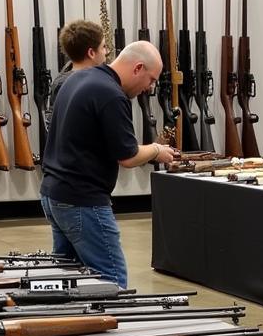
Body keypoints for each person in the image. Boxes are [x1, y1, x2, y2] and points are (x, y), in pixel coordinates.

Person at [41, 40, 175, 287]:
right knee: (111, 280)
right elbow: (128, 156)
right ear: (137, 68)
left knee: (66, 280)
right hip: (82, 201)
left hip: (54, 194)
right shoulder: (111, 95)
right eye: (151, 79)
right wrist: (157, 150)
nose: (150, 87)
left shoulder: (76, 78)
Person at [42, 20, 108, 258]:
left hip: (63, 185)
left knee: (67, 262)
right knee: (108, 270)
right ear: (91, 52)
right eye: (102, 47)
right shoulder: (72, 82)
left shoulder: (69, 80)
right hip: (75, 187)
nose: (106, 52)